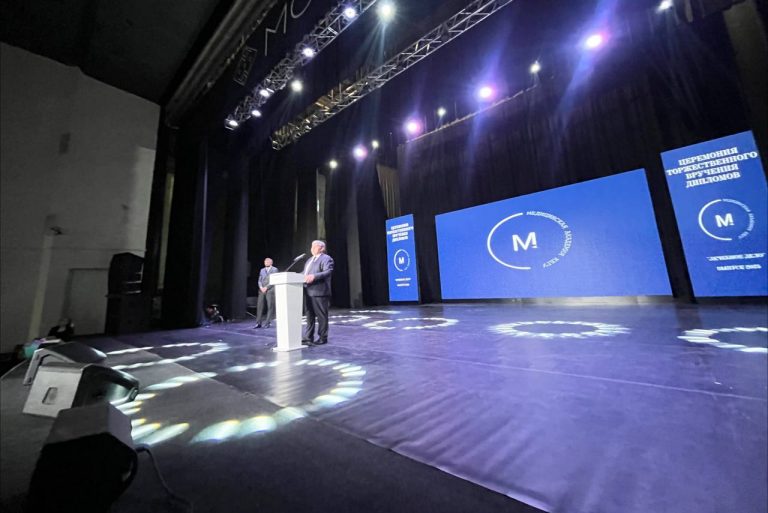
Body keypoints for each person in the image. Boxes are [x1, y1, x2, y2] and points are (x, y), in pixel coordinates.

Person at [302, 240, 334, 346]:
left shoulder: (326, 258)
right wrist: (293, 275)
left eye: (314, 246)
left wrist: (314, 276)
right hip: (307, 291)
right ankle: (308, 337)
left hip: (319, 292)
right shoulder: (309, 260)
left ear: (321, 248)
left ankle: (322, 337)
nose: (312, 248)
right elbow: (305, 273)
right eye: (311, 246)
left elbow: (328, 271)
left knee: (321, 316)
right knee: (309, 316)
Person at [254, 257, 278, 328]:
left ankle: (267, 323)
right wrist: (261, 287)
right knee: (260, 306)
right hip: (262, 290)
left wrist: (266, 287)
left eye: (267, 261)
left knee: (270, 306)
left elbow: (274, 280)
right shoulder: (262, 270)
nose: (266, 262)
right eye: (265, 261)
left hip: (270, 290)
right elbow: (259, 280)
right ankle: (258, 323)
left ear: (271, 262)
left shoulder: (274, 269)